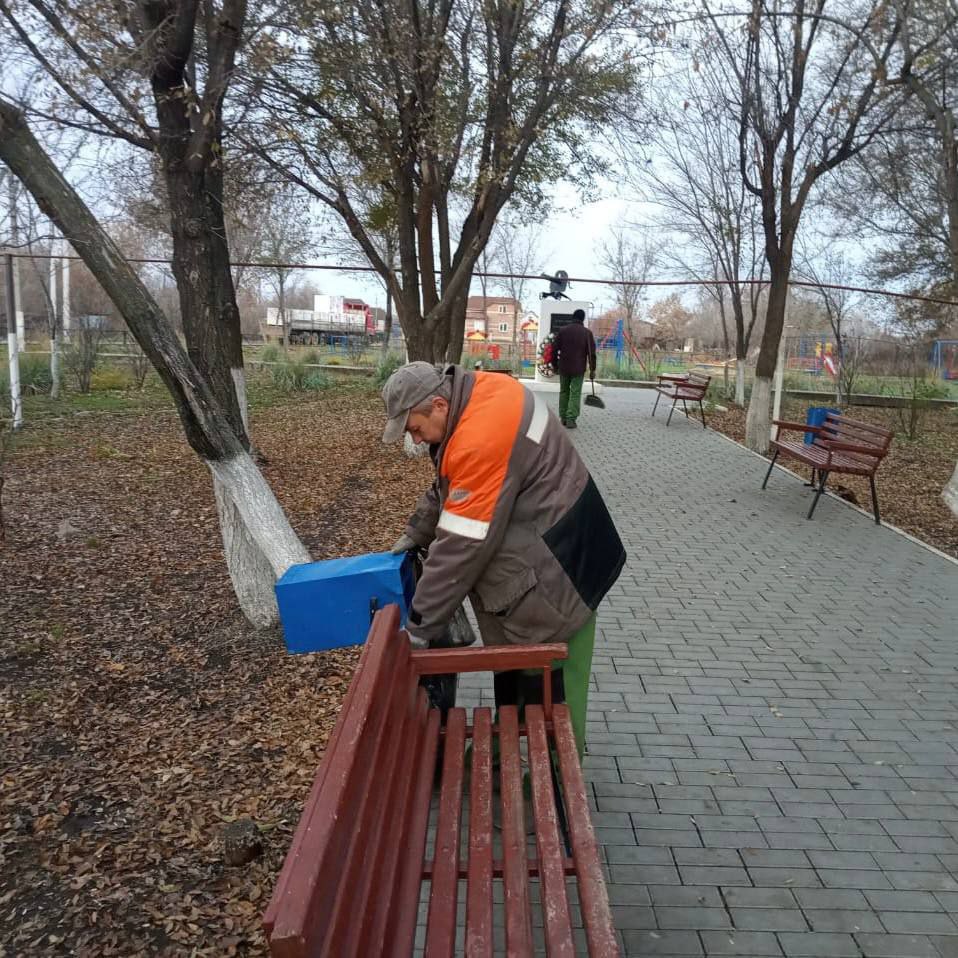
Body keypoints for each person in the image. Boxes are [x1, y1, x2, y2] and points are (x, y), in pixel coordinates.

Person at [383, 361, 625, 757]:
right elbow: (451, 483)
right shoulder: (482, 392)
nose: (415, 438)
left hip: (563, 574)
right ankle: (507, 751)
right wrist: (418, 529)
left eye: (414, 428)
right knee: (522, 678)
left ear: (439, 405)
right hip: (567, 541)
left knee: (557, 693)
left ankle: (559, 778)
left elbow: (461, 547)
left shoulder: (480, 437)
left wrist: (419, 627)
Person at [552, 308, 597, 429]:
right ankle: (571, 419)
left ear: (573, 317)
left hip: (564, 367)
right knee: (575, 393)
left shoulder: (563, 331)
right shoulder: (587, 333)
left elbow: (554, 349)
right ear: (583, 319)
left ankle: (563, 417)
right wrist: (592, 369)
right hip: (578, 368)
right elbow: (591, 354)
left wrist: (555, 365)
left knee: (564, 391)